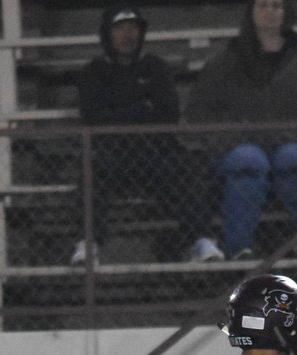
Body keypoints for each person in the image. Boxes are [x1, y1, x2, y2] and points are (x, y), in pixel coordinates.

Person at [184, 0, 297, 260]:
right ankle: (239, 249)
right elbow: (199, 111)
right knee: (247, 160)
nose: (270, 12)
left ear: (286, 12)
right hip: (239, 147)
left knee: (294, 158)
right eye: (263, 5)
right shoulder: (228, 58)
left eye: (277, 6)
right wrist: (226, 140)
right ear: (251, 12)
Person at [71, 7, 222, 267]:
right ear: (108, 33)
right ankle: (88, 244)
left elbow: (168, 112)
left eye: (133, 28)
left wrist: (119, 113)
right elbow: (93, 117)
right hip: (110, 155)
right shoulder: (93, 72)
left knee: (188, 167)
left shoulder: (156, 67)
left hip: (155, 153)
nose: (127, 35)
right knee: (89, 170)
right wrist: (140, 109)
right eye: (120, 29)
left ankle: (200, 240)